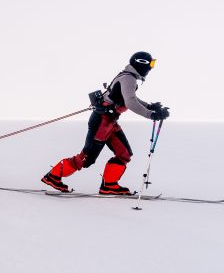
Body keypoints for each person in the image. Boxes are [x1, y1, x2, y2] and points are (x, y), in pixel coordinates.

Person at [41, 52, 169, 195]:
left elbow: (131, 98)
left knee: (124, 153)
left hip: (110, 122)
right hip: (101, 122)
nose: (151, 67)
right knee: (87, 157)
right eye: (151, 64)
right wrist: (151, 114)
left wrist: (151, 106)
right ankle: (53, 176)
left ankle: (109, 185)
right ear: (142, 63)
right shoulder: (128, 78)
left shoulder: (128, 76)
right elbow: (130, 102)